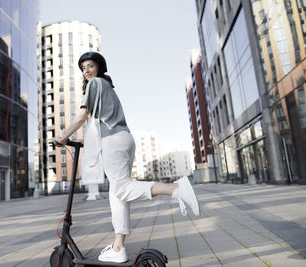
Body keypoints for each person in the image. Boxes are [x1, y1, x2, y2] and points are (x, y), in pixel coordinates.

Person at [55, 51, 200, 263]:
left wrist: (63, 137)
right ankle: (118, 246)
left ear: (99, 68)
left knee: (121, 188)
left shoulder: (95, 84)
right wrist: (84, 142)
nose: (86, 70)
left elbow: (82, 116)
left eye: (90, 66)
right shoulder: (107, 88)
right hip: (123, 138)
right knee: (117, 193)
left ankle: (176, 189)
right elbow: (102, 123)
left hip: (114, 142)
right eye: (83, 67)